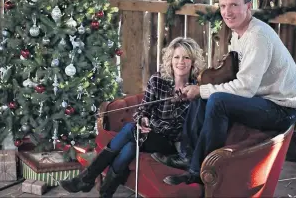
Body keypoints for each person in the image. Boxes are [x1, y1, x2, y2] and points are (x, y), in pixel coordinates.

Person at [153, 0, 296, 187]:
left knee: (216, 99)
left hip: (281, 108)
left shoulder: (258, 36)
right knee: (202, 89)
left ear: (248, 7)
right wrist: (201, 87)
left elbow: (245, 88)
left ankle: (199, 172)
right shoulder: (238, 33)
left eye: (233, 5)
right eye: (222, 6)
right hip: (262, 98)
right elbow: (233, 75)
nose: (227, 12)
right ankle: (186, 156)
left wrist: (203, 91)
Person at [60, 37, 205, 197]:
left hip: (169, 143)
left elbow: (180, 131)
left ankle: (87, 178)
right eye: (177, 57)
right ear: (170, 59)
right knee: (130, 146)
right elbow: (144, 109)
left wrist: (178, 104)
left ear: (193, 61)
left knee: (130, 129)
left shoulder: (197, 90)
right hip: (148, 133)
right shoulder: (157, 80)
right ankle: (105, 192)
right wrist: (143, 118)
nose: (181, 62)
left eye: (186, 57)